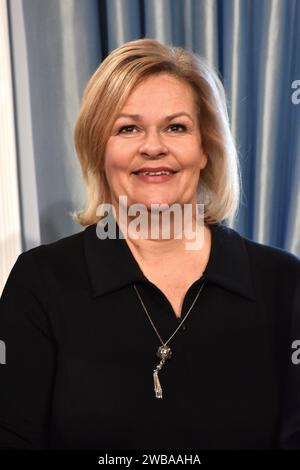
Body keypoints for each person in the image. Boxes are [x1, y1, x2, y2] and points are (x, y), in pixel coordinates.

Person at [0, 38, 299, 450]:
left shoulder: (284, 282)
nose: (153, 147)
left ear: (205, 148)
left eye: (176, 127)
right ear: (99, 149)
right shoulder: (41, 281)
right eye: (128, 128)